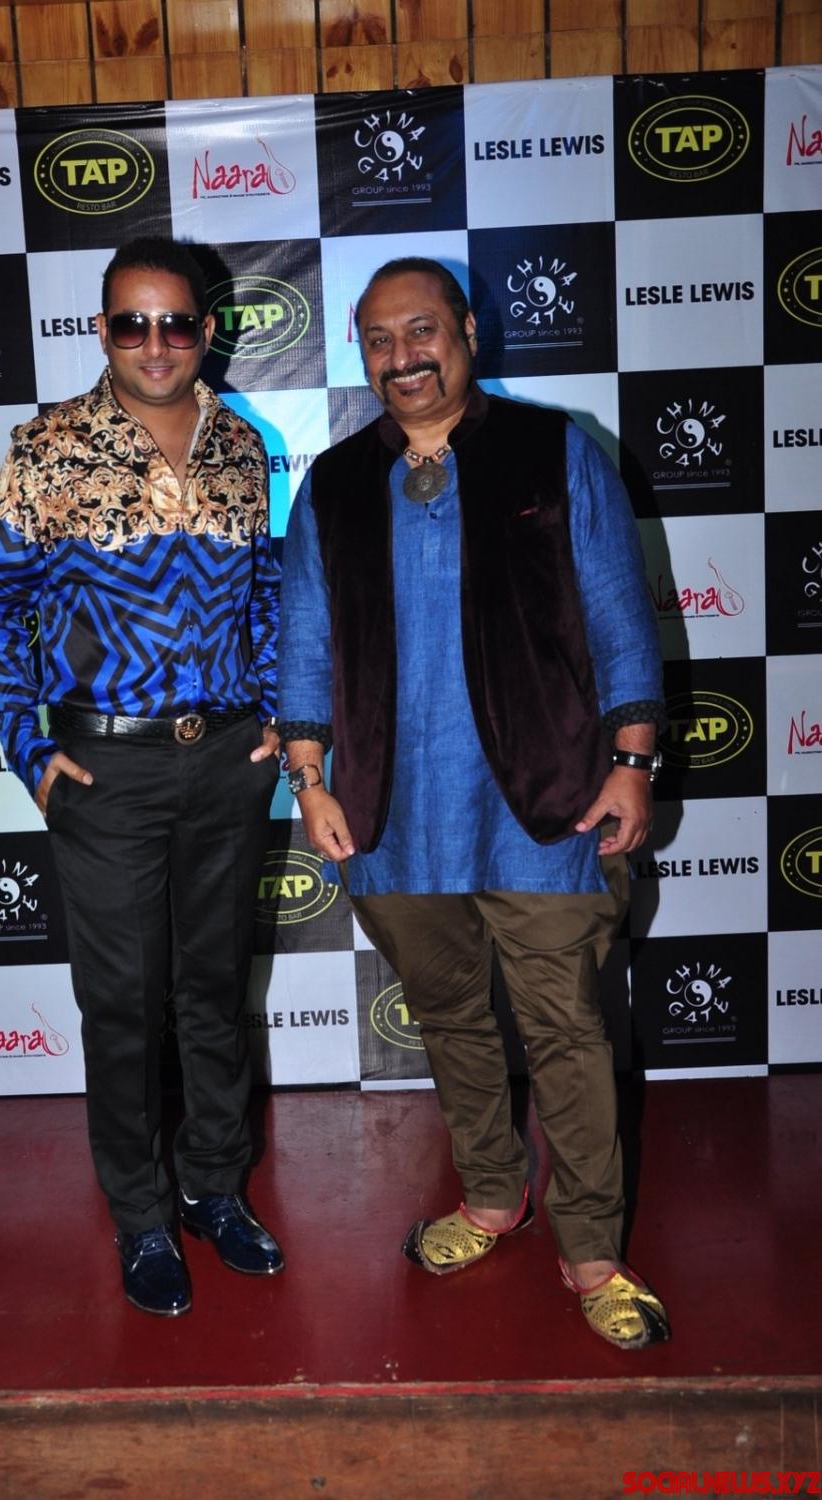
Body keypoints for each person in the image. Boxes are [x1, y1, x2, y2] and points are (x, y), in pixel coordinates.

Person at [277, 256, 669, 1350]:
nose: (402, 356)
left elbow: (619, 615)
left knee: (567, 1030)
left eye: (422, 331)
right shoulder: (334, 483)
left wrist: (632, 760)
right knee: (449, 1019)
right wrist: (308, 781)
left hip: (546, 803)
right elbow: (304, 639)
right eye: (379, 339)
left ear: (468, 335)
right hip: (391, 812)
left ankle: (593, 1251)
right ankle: (494, 1197)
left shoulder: (554, 450)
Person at [0, 236, 284, 1317]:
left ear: (208, 329)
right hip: (105, 768)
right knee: (121, 1007)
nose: (157, 343)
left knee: (215, 993)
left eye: (177, 322)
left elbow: (265, 594)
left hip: (228, 761)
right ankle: (141, 1215)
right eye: (133, 323)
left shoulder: (242, 444)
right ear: (102, 331)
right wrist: (29, 750)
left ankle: (214, 1190)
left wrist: (274, 715)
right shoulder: (48, 447)